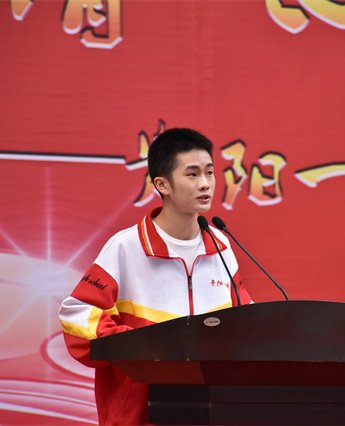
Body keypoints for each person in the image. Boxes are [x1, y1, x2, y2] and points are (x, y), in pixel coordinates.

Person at [58, 128, 252, 425]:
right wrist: (143, 347)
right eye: (192, 174)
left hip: (210, 410)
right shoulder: (127, 247)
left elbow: (246, 323)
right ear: (162, 184)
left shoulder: (221, 246)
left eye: (210, 173)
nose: (205, 184)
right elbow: (77, 315)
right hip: (139, 414)